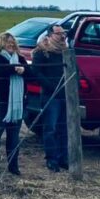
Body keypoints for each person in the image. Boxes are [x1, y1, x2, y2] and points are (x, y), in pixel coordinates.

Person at [0, 32, 28, 176]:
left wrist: (23, 69)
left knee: (14, 137)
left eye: (13, 42)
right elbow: (0, 69)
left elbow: (31, 71)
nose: (11, 44)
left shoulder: (20, 57)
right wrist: (16, 69)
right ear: (1, 44)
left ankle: (13, 166)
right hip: (1, 103)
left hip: (17, 104)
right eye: (7, 42)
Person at [32, 24, 68, 172]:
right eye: (58, 33)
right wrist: (51, 86)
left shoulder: (66, 51)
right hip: (50, 95)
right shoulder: (42, 52)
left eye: (63, 33)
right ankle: (51, 158)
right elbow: (37, 73)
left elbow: (74, 70)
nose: (62, 36)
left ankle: (63, 158)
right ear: (49, 35)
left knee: (63, 127)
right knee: (51, 128)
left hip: (65, 95)